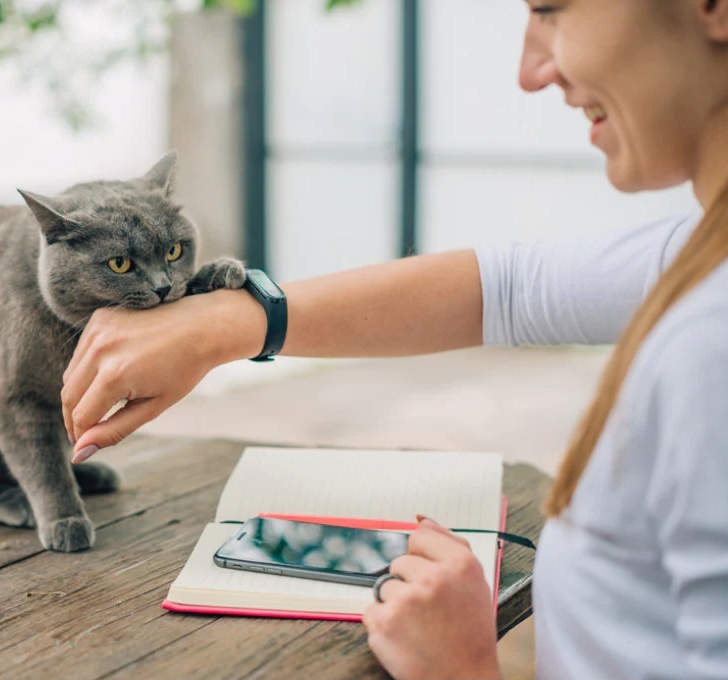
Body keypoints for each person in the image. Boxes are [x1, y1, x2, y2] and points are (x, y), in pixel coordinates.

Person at [61, 1, 728, 678]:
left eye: (551, 9)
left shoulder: (710, 342)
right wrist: (231, 321)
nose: (531, 70)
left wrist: (460, 668)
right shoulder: (702, 254)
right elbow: (510, 288)